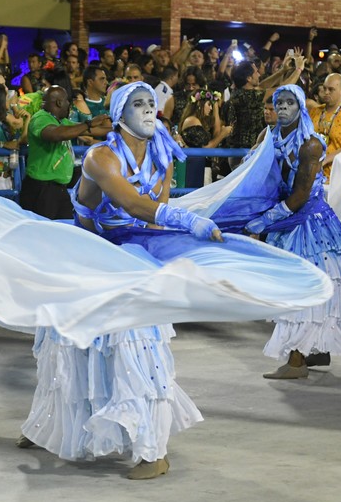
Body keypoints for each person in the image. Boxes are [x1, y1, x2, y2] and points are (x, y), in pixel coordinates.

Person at [19, 81, 220, 480]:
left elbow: (151, 216)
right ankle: (48, 425)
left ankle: (153, 451)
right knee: (67, 347)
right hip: (88, 256)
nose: (148, 109)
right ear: (118, 115)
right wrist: (186, 219)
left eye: (151, 103)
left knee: (137, 349)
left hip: (131, 258)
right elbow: (131, 202)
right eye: (137, 103)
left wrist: (165, 255)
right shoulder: (101, 156)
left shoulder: (161, 157)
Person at [247, 85, 341, 378]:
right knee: (304, 287)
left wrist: (265, 220)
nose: (282, 107)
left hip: (308, 225)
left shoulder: (310, 145)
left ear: (300, 107)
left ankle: (297, 361)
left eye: (289, 102)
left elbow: (300, 194)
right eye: (279, 102)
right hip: (286, 219)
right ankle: (317, 351)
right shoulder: (268, 137)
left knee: (300, 289)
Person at [19, 86, 111, 219]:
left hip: (58, 189)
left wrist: (118, 127)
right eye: (68, 101)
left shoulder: (61, 121)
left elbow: (91, 131)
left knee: (66, 226)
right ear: (59, 102)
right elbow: (56, 134)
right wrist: (89, 124)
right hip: (41, 189)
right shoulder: (40, 118)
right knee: (44, 230)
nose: (69, 104)